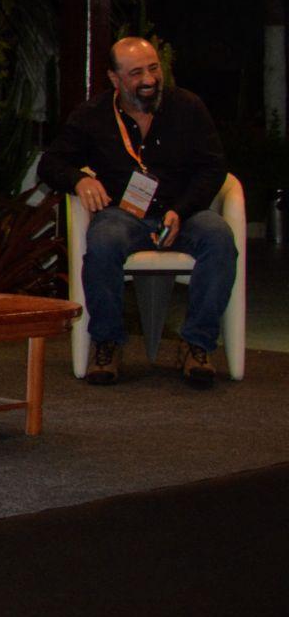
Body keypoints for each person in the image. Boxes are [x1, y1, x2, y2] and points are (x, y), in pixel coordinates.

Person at [37, 36, 232, 388]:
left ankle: (197, 345)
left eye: (154, 69)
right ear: (115, 78)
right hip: (124, 215)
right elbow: (50, 164)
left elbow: (213, 168)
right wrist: (79, 180)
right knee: (103, 241)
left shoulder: (187, 107)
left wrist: (181, 210)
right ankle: (108, 344)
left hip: (183, 212)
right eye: (136, 73)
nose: (148, 80)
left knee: (218, 237)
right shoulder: (93, 115)